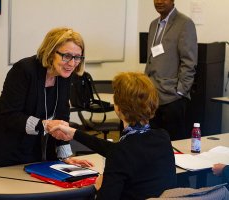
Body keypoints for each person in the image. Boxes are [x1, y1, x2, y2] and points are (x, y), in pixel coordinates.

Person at [0, 27, 93, 170]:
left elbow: (62, 117)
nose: (72, 63)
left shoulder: (65, 75)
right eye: (66, 56)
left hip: (30, 140)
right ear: (51, 52)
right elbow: (10, 115)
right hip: (0, 139)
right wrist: (45, 125)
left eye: (77, 57)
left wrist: (65, 156)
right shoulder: (24, 70)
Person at [48, 72, 177, 200]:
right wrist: (74, 133)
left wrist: (98, 188)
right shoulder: (162, 137)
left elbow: (119, 154)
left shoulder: (121, 152)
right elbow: (119, 150)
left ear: (119, 108)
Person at [145, 0, 198, 140]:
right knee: (154, 143)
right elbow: (151, 59)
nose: (159, 1)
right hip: (153, 97)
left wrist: (181, 90)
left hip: (173, 98)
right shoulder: (153, 24)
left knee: (174, 145)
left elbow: (189, 61)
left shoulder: (184, 23)